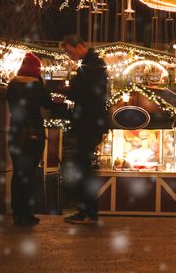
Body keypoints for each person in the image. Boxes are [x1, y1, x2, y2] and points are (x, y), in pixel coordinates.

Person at [60, 33, 109, 225]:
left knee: (82, 166)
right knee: (83, 165)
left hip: (89, 122)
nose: (69, 55)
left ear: (79, 46)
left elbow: (89, 92)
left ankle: (87, 209)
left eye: (69, 51)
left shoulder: (92, 66)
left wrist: (69, 91)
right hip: (92, 122)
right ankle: (88, 209)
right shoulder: (94, 63)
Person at [5, 52, 56, 227]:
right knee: (28, 174)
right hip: (33, 133)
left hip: (16, 133)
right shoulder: (37, 86)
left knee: (18, 173)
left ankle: (16, 212)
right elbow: (48, 103)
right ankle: (26, 212)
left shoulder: (12, 85)